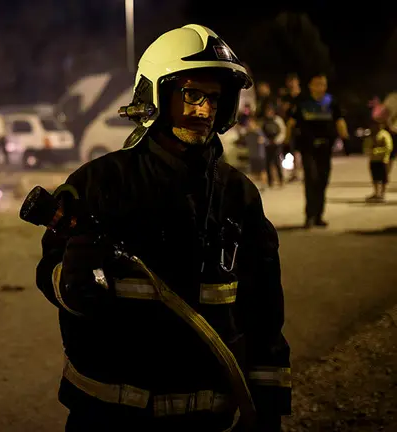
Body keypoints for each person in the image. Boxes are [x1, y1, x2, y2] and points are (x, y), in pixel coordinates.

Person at [34, 24, 290, 431]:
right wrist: (71, 281)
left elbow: (264, 311)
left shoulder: (238, 196)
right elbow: (49, 273)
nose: (204, 110)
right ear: (155, 94)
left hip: (208, 422)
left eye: (214, 98)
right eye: (191, 94)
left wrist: (269, 407)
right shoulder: (97, 183)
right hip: (109, 419)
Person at [284, 73, 349, 228]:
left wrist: (346, 139)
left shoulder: (331, 102)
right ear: (311, 85)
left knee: (322, 180)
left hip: (325, 148)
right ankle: (309, 215)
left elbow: (339, 121)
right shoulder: (302, 102)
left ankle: (319, 215)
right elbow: (291, 123)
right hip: (308, 148)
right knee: (311, 179)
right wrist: (286, 142)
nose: (321, 86)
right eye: (317, 83)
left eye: (323, 84)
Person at [365, 118, 393, 202]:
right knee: (375, 177)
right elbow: (367, 145)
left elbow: (388, 147)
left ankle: (382, 194)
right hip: (373, 160)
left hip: (382, 160)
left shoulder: (384, 135)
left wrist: (377, 151)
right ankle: (376, 193)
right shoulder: (372, 135)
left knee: (383, 177)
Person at [260, 104, 287, 187]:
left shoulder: (278, 120)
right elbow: (262, 132)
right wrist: (266, 140)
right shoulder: (264, 121)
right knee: (268, 163)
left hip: (276, 144)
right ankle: (270, 181)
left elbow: (282, 131)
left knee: (277, 162)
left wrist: (277, 141)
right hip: (268, 144)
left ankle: (281, 179)